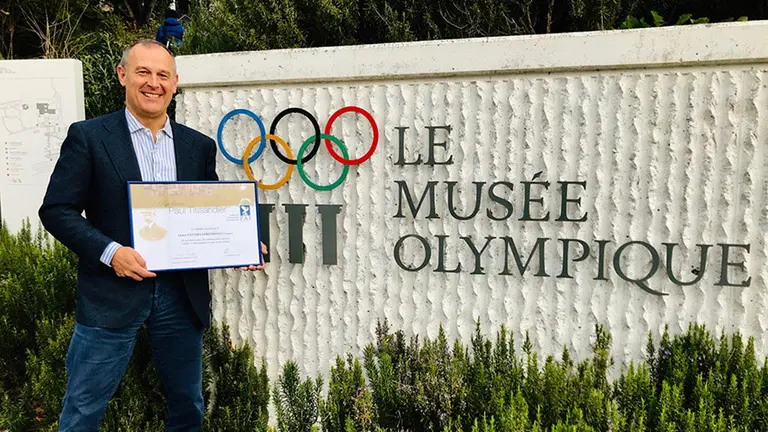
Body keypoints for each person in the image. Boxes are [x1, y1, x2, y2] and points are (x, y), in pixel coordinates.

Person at [38, 39, 265, 431]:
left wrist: (242, 243)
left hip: (180, 296)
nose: (153, 83)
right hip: (110, 294)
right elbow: (56, 210)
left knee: (188, 405)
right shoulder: (89, 137)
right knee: (83, 408)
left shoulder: (199, 146)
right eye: (143, 72)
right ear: (123, 75)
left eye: (163, 75)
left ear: (175, 83)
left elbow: (209, 210)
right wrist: (111, 253)